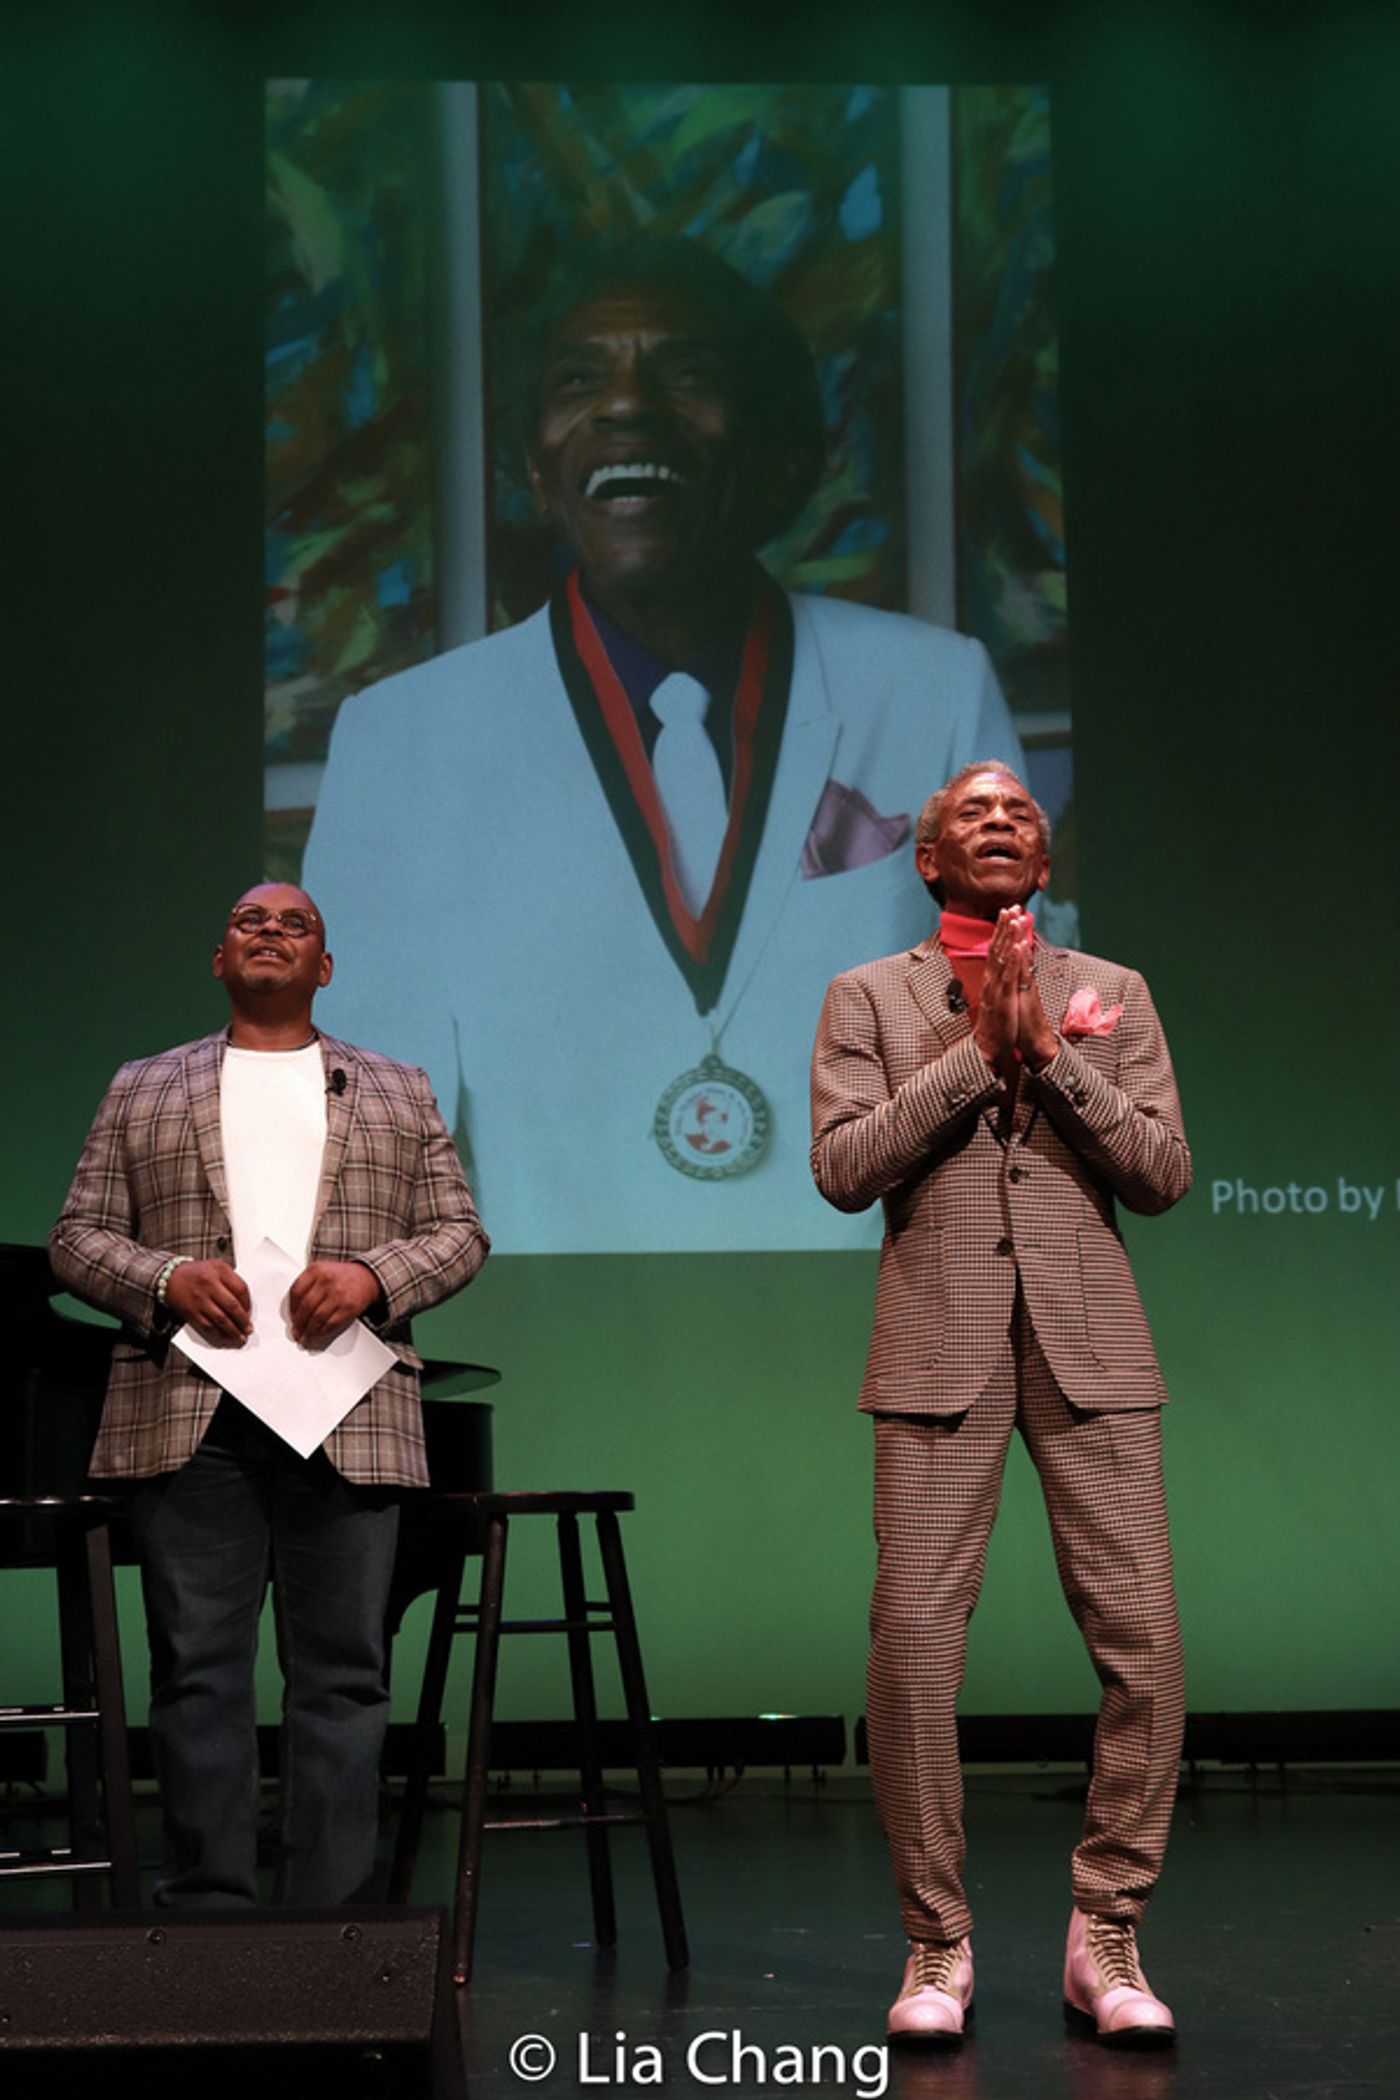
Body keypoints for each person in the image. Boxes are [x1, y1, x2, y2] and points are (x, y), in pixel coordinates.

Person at [303, 233, 1024, 1254]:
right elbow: (362, 1140)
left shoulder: (935, 689)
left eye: (684, 372)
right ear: (534, 463)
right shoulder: (401, 737)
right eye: (577, 378)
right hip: (544, 1336)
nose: (625, 405)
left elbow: (1006, 1048)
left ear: (775, 446)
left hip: (873, 1310)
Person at [810, 762, 1189, 2047]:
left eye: (1019, 811)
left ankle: (1107, 1930)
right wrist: (979, 1054)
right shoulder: (867, 996)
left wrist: (1055, 1059)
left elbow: (1160, 1173)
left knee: (1143, 1641)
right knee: (913, 1646)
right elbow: (843, 1168)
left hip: (1092, 1347)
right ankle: (936, 1944)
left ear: (1041, 852)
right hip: (936, 1348)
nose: (998, 823)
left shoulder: (1114, 994)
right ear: (926, 860)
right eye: (971, 812)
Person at [49, 882, 489, 1906]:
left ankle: (327, 1922)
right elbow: (75, 1236)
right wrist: (165, 1280)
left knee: (343, 1671)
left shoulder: (393, 1086)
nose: (271, 932)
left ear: (324, 969)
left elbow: (459, 1232)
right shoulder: (144, 1085)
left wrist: (374, 1277)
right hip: (187, 1409)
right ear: (218, 958)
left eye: (297, 925)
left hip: (346, 1410)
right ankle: (209, 1912)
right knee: (198, 1671)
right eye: (250, 920)